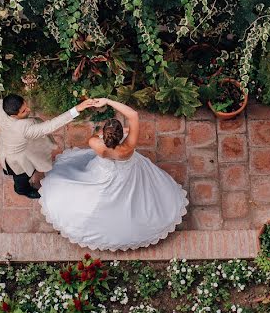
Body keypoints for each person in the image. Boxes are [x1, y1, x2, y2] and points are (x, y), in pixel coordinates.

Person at [38, 98, 188, 250]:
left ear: (105, 133)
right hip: (128, 172)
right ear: (121, 133)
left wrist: (98, 134)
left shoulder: (97, 144)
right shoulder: (129, 145)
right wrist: (107, 101)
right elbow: (133, 115)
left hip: (104, 170)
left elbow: (94, 138)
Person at [0, 94, 102, 199]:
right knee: (21, 175)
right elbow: (50, 126)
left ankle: (7, 170)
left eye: (25, 105)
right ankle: (22, 190)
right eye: (24, 111)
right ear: (13, 115)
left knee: (9, 167)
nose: (28, 110)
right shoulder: (24, 129)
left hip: (3, 145)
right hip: (16, 158)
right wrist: (77, 108)